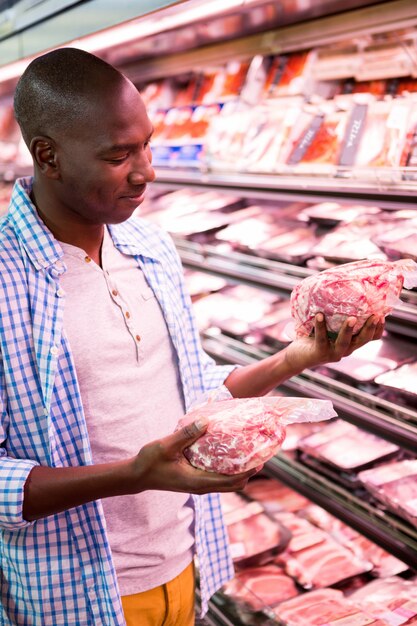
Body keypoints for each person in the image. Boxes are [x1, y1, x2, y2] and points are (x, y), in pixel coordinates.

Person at [0, 47, 384, 626]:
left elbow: (198, 392)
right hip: (74, 593)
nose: (146, 170)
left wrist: (299, 356)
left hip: (186, 563)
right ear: (48, 156)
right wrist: (132, 475)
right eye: (118, 156)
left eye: (147, 144)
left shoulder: (151, 249)